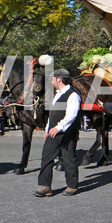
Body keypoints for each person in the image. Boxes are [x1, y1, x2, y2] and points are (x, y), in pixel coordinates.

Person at [33, 69, 81, 197]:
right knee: (46, 156)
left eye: (52, 78)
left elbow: (71, 115)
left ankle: (72, 185)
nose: (51, 80)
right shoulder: (57, 94)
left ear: (59, 79)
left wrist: (58, 127)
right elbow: (52, 114)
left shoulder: (73, 95)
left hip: (67, 133)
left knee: (69, 158)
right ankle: (45, 186)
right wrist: (48, 128)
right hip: (53, 132)